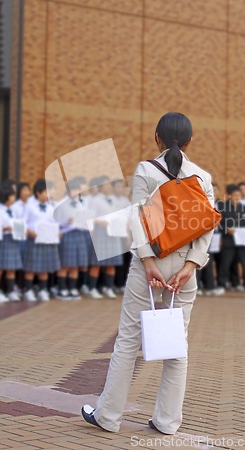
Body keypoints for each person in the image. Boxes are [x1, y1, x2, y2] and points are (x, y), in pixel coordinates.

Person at [81, 112, 214, 435]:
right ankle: (168, 422)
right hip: (184, 268)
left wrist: (149, 262)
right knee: (176, 346)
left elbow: (138, 218)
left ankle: (108, 416)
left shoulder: (146, 170)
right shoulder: (202, 177)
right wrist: (191, 265)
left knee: (127, 340)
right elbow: (206, 225)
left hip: (149, 265)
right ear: (190, 141)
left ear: (157, 138)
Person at [23, 179, 61, 302]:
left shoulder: (53, 206)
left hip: (48, 240)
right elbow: (23, 222)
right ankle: (28, 291)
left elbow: (56, 222)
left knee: (45, 267)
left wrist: (58, 232)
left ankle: (42, 290)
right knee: (31, 267)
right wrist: (29, 231)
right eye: (47, 191)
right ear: (38, 193)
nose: (49, 193)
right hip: (34, 239)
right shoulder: (29, 205)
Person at [218, 185, 245, 293]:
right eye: (235, 195)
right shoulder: (223, 208)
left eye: (239, 195)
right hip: (229, 241)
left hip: (243, 242)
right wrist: (227, 229)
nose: (237, 197)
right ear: (230, 196)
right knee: (225, 264)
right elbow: (219, 224)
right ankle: (222, 284)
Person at [0, 186, 23, 301]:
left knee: (11, 268)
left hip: (13, 240)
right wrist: (7, 228)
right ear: (7, 197)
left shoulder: (13, 210)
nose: (14, 198)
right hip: (4, 240)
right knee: (1, 268)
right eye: (13, 195)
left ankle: (10, 291)